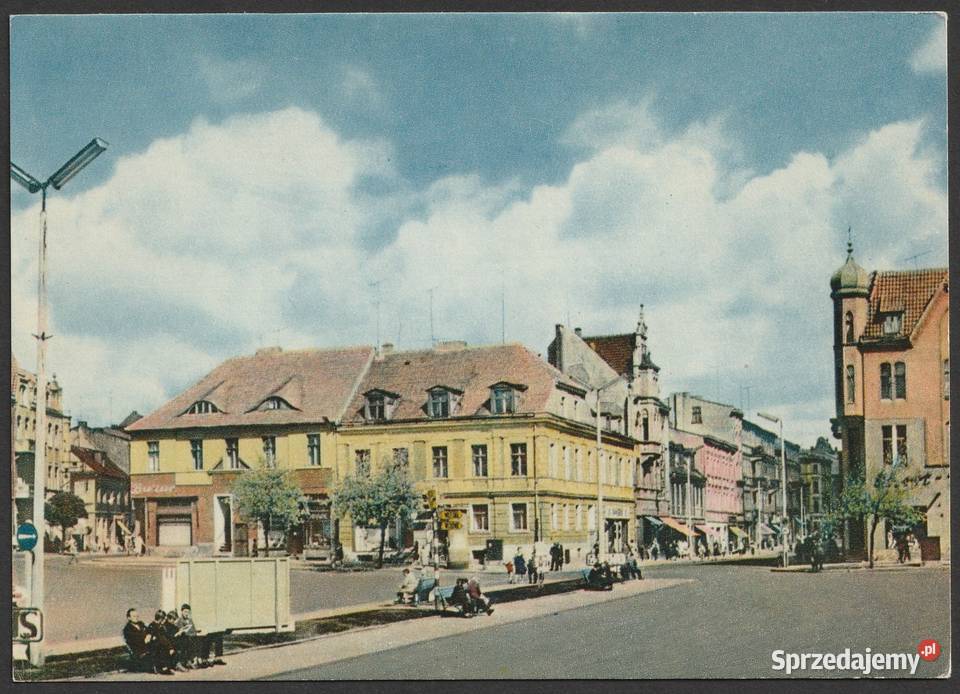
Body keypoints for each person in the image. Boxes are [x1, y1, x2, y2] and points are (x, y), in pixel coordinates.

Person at [123, 608, 156, 673]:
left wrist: (149, 635)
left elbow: (150, 629)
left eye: (137, 616)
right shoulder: (127, 629)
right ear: (129, 618)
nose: (136, 618)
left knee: (158, 638)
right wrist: (145, 638)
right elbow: (134, 641)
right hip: (139, 650)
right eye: (134, 616)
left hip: (147, 645)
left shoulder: (141, 624)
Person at [147, 609, 177, 674]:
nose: (165, 621)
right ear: (160, 619)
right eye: (164, 619)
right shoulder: (152, 626)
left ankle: (168, 666)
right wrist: (170, 647)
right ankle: (164, 667)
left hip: (160, 644)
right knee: (162, 644)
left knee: (167, 642)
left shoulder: (161, 626)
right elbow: (151, 638)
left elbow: (165, 637)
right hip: (153, 646)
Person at [174, 604, 201, 669]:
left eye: (188, 612)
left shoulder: (190, 620)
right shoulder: (179, 620)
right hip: (183, 638)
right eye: (185, 612)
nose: (186, 614)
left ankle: (196, 659)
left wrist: (196, 632)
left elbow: (193, 630)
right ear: (182, 611)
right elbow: (180, 631)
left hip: (191, 637)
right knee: (190, 641)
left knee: (200, 639)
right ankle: (191, 660)